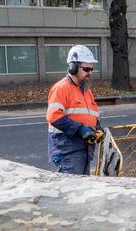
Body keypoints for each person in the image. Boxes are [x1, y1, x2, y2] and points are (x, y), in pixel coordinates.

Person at [46, 45, 103, 175]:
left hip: (84, 149)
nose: (89, 73)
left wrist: (97, 128)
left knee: (83, 190)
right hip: (67, 150)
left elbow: (92, 114)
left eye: (91, 69)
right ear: (73, 67)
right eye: (86, 69)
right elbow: (54, 116)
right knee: (72, 191)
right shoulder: (61, 88)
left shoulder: (86, 91)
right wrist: (80, 129)